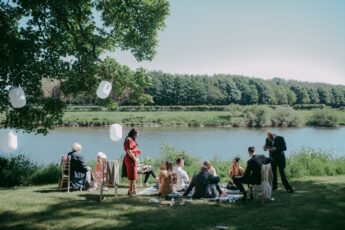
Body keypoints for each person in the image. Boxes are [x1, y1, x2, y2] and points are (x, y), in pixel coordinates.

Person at [123, 128, 142, 196]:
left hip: (132, 159)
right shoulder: (129, 139)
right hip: (130, 159)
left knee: (133, 175)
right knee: (132, 176)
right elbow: (129, 151)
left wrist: (137, 151)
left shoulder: (131, 139)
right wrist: (135, 159)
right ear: (134, 134)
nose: (137, 136)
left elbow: (133, 149)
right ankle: (129, 191)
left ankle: (134, 190)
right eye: (137, 134)